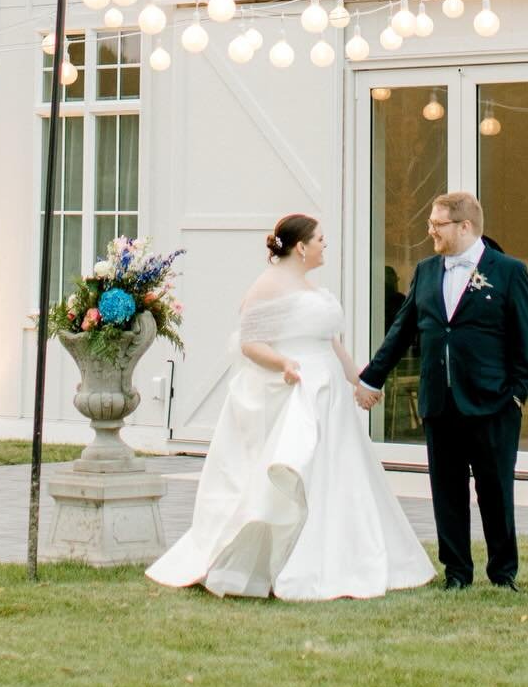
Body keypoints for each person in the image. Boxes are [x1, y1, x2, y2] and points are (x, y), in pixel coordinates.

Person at [146, 214, 434, 600]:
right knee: (303, 469)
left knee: (341, 469)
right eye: (320, 240)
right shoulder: (267, 287)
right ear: (301, 247)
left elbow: (331, 342)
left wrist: (359, 381)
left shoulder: (309, 286)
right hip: (299, 390)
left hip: (330, 390)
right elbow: (250, 342)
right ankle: (290, 561)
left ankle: (350, 553)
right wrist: (283, 364)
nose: (324, 246)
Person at [355, 192, 528, 592]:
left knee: (495, 491)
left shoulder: (508, 271)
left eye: (437, 225)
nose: (430, 232)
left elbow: (526, 339)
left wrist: (516, 395)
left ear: (465, 226)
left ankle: (503, 573)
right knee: (447, 491)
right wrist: (372, 377)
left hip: (493, 402)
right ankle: (457, 573)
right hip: (440, 402)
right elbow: (402, 330)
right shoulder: (425, 271)